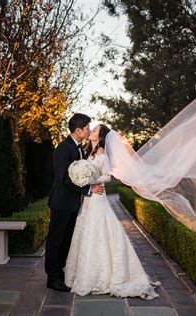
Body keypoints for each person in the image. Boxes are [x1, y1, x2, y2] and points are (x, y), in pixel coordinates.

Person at [64, 124, 160, 299]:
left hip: (98, 196)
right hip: (88, 199)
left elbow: (108, 176)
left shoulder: (101, 153)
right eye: (90, 129)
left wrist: (90, 180)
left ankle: (103, 276)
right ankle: (85, 272)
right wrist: (84, 181)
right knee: (87, 231)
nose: (91, 131)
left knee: (99, 231)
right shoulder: (90, 153)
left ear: (100, 137)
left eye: (94, 131)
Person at [45, 113, 104, 292]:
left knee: (66, 240)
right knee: (55, 241)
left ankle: (60, 272)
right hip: (61, 202)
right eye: (87, 128)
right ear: (78, 130)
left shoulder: (79, 148)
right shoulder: (63, 148)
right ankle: (52, 278)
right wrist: (88, 190)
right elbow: (63, 178)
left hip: (72, 203)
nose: (88, 131)